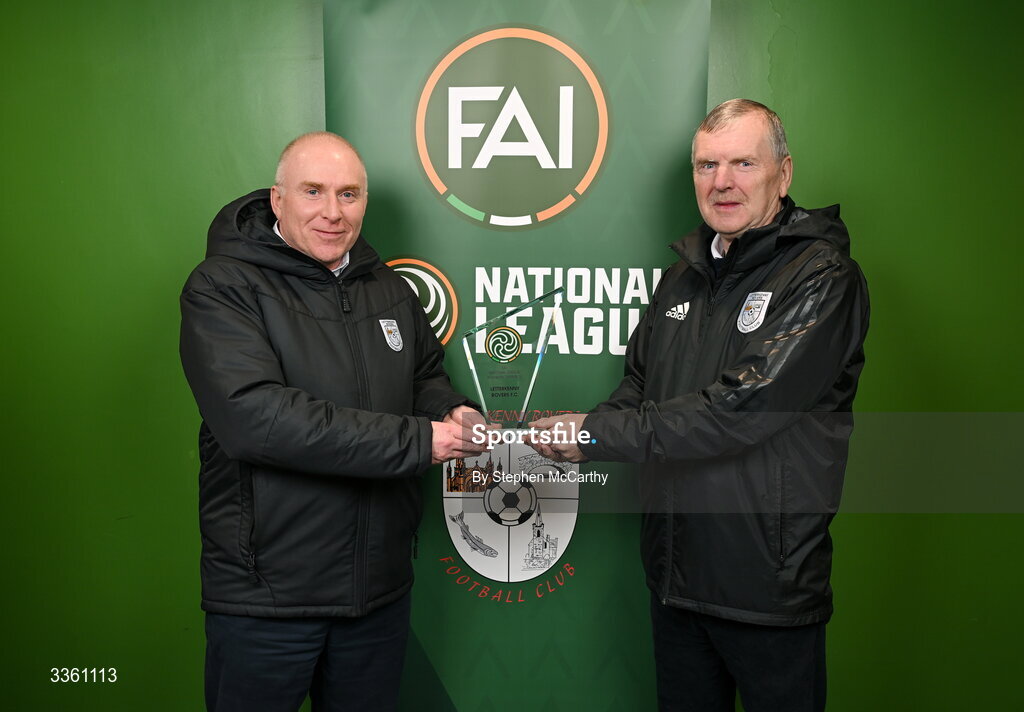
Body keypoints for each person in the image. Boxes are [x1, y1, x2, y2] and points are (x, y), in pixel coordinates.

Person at [529, 99, 869, 711]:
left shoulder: (823, 277)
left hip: (767, 589)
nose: (723, 182)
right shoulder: (679, 278)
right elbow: (638, 386)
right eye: (707, 165)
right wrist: (580, 432)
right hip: (675, 579)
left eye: (743, 163)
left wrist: (597, 437)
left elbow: (737, 410)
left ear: (783, 174)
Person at [179, 131, 485, 712]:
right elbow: (256, 417)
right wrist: (422, 440)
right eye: (312, 191)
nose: (332, 212)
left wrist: (450, 410)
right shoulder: (222, 287)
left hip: (376, 594)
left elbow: (423, 375)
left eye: (349, 195)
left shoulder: (390, 290)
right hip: (268, 598)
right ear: (277, 199)